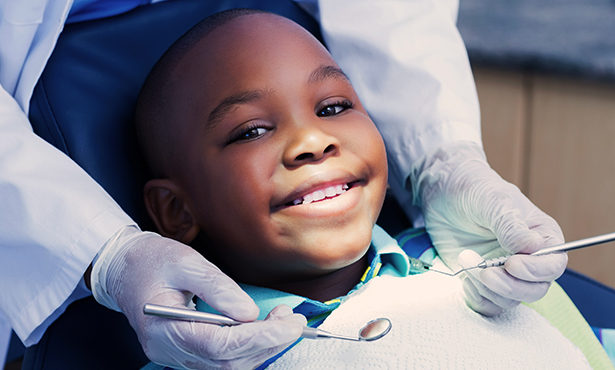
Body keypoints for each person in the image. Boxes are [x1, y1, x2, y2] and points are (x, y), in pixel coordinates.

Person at [0, 0, 566, 368]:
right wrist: (105, 254)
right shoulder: (201, 353)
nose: (311, 142)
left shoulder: (495, 279)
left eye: (336, 106)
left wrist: (444, 160)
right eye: (251, 131)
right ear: (173, 211)